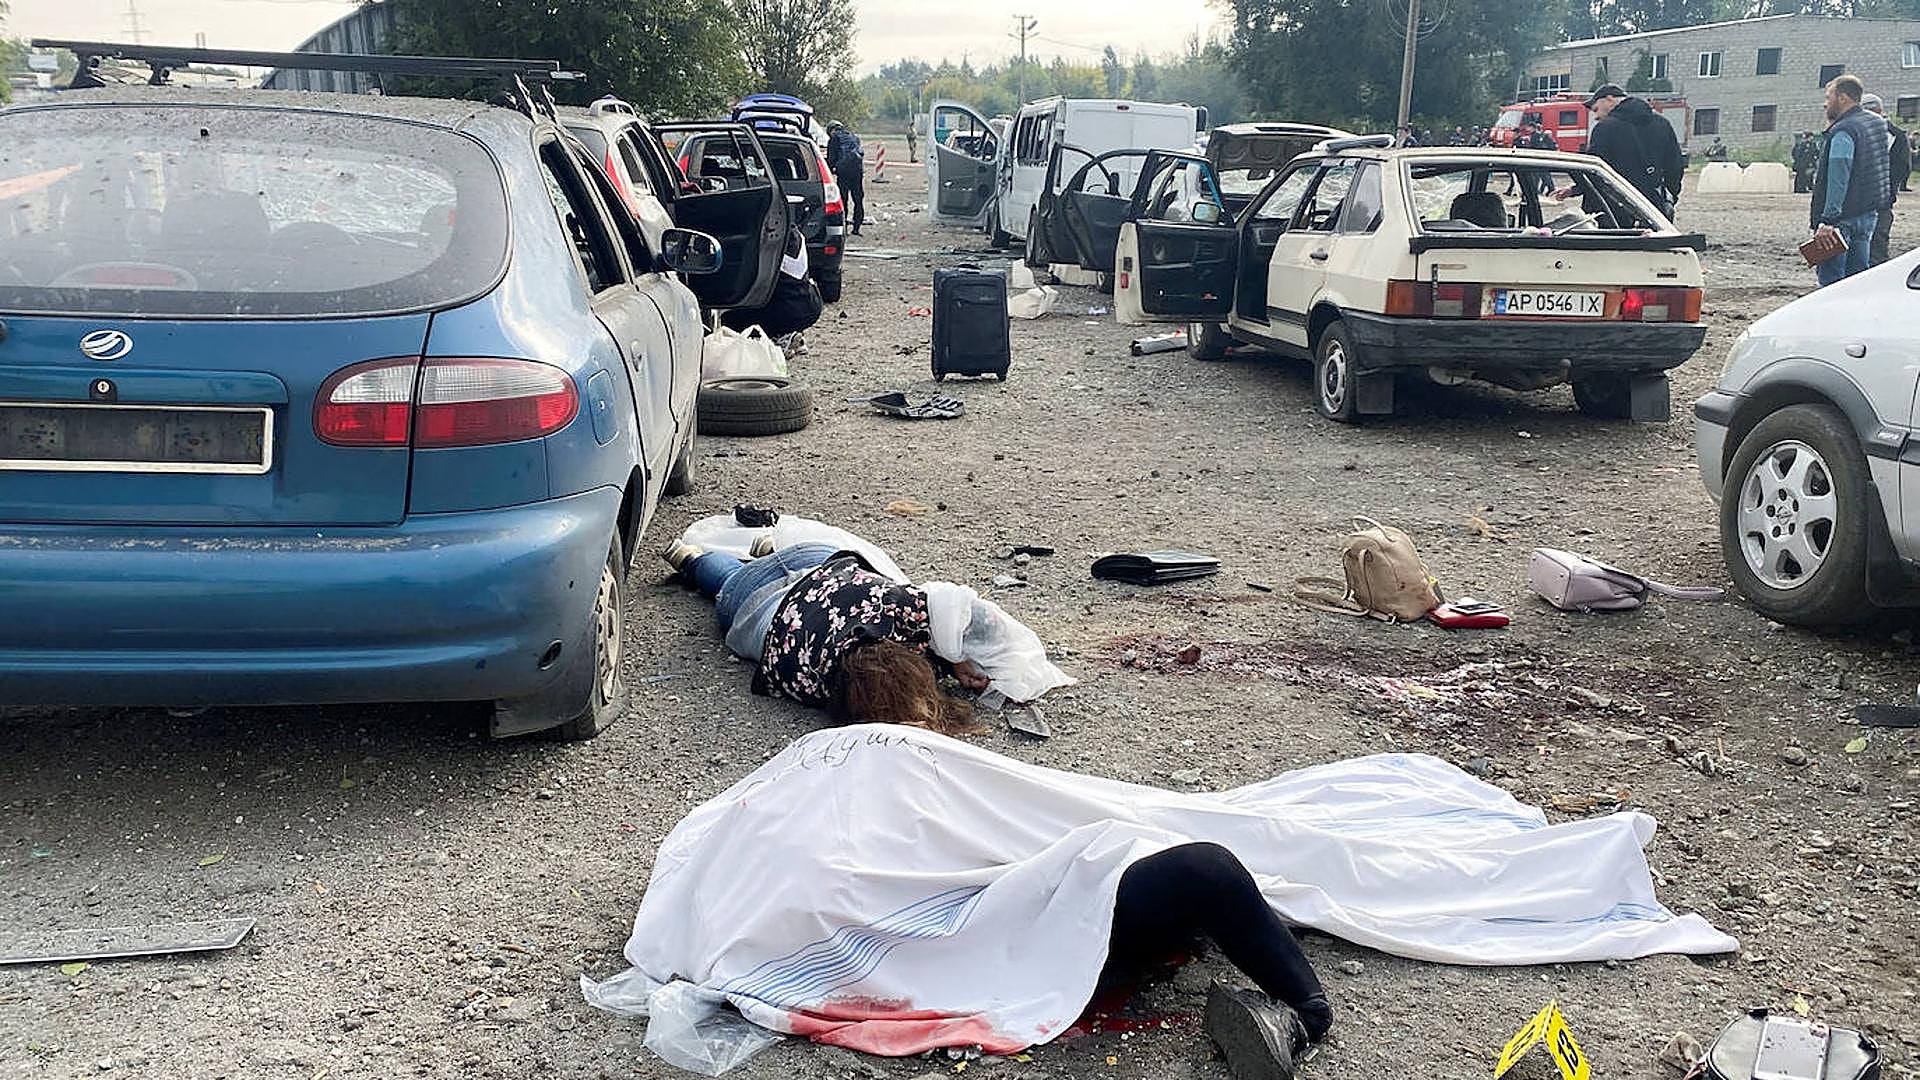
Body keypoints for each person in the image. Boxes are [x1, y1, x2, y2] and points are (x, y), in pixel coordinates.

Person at [661, 527, 1070, 729]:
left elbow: (953, 608)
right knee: (725, 583)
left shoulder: (903, 611)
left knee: (734, 578)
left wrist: (954, 658)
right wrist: (956, 662)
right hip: (765, 595)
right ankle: (691, 559)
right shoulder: (814, 685)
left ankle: (753, 553)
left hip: (815, 560)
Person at [1809, 74, 1890, 286]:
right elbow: (1882, 167)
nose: (1825, 103)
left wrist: (1828, 220)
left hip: (1840, 221)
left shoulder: (1844, 131)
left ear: (1843, 98)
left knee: (1831, 283)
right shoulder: (1877, 123)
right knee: (1858, 281)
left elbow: (1839, 176)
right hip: (1868, 214)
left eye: (1828, 97)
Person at [1584, 83, 1684, 219]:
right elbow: (1675, 167)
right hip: (1653, 209)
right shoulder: (1662, 123)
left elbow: (1594, 171)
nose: (1596, 116)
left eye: (1596, 109)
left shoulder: (1605, 128)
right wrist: (1669, 198)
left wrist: (1579, 190)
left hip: (1612, 211)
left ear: (1609, 99)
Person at [718, 226, 822, 353]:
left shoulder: (764, 242)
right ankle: (785, 334)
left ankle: (777, 338)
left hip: (786, 309)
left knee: (728, 319)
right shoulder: (795, 235)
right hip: (811, 304)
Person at [1862, 93, 1911, 266]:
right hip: (1883, 198)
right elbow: (1904, 167)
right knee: (1877, 245)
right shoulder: (1898, 135)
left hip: (1862, 200)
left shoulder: (1856, 131)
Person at [826, 119, 867, 235]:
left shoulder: (835, 138)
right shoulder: (854, 136)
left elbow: (831, 158)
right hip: (857, 171)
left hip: (844, 172)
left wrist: (830, 170)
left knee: (843, 200)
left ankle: (844, 227)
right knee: (858, 200)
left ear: (831, 130)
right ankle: (856, 228)